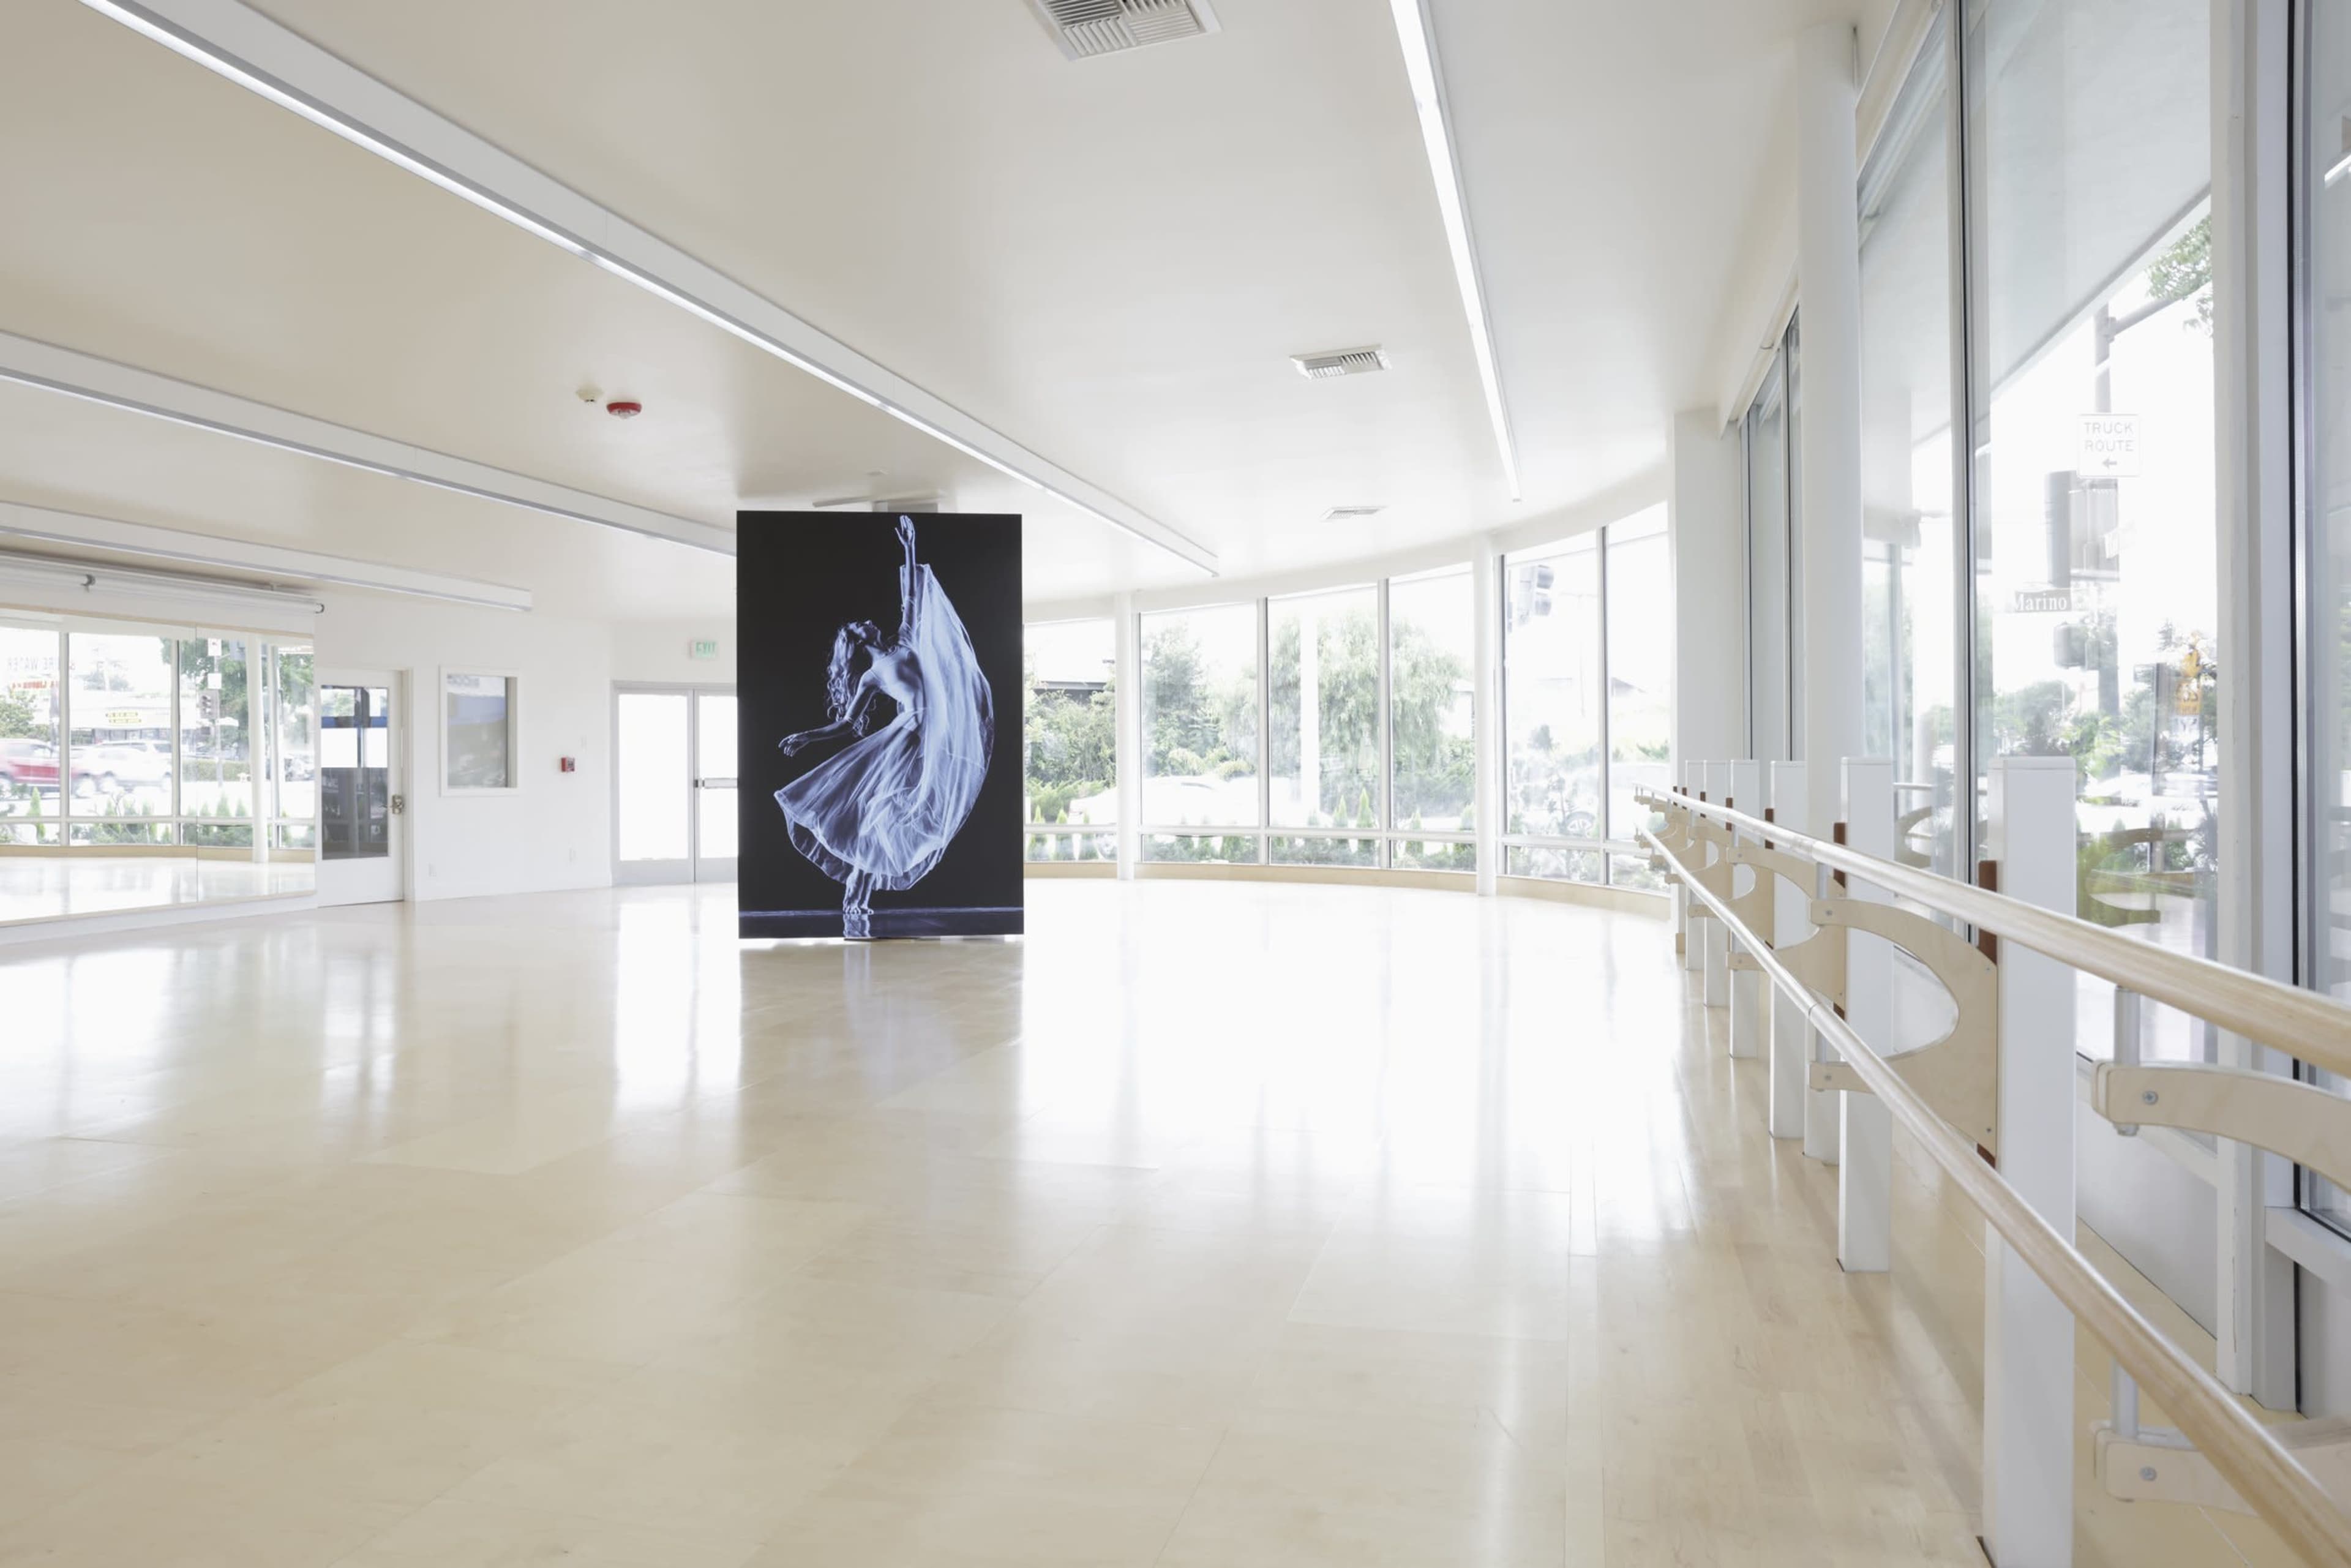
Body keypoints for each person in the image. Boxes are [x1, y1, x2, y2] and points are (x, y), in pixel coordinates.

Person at [774, 516, 994, 937]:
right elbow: (847, 724)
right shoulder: (872, 676)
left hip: (933, 738)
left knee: (900, 821)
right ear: (858, 641)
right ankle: (855, 897)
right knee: (880, 820)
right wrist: (807, 736)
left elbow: (911, 596)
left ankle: (859, 896)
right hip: (906, 740)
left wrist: (910, 547)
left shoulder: (907, 640)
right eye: (861, 625)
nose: (870, 622)